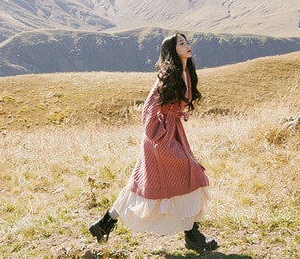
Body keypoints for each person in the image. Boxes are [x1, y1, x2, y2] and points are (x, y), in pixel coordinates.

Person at [89, 33, 217, 251]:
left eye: (186, 42)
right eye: (181, 43)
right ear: (172, 50)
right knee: (190, 173)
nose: (187, 46)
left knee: (142, 185)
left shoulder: (185, 72)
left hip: (172, 132)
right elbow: (148, 109)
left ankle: (104, 223)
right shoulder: (166, 77)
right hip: (160, 138)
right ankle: (192, 235)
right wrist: (159, 135)